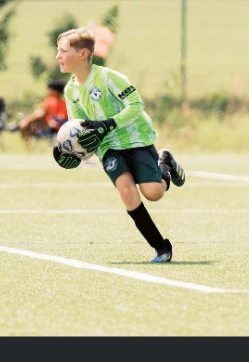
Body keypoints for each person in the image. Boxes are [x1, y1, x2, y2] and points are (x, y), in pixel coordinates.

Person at [54, 27, 185, 264]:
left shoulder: (108, 77)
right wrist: (68, 149)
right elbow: (78, 126)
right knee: (127, 193)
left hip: (135, 139)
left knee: (153, 193)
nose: (58, 56)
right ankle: (161, 248)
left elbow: (136, 104)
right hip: (109, 147)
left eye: (63, 51)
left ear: (83, 54)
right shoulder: (70, 90)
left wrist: (108, 123)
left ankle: (166, 164)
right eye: (58, 51)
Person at [16, 78, 69, 144]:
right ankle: (26, 123)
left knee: (40, 114)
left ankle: (25, 123)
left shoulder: (64, 103)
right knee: (39, 113)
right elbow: (41, 112)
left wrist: (51, 122)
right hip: (46, 124)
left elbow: (62, 118)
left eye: (49, 89)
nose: (47, 91)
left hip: (58, 126)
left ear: (56, 91)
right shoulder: (48, 100)